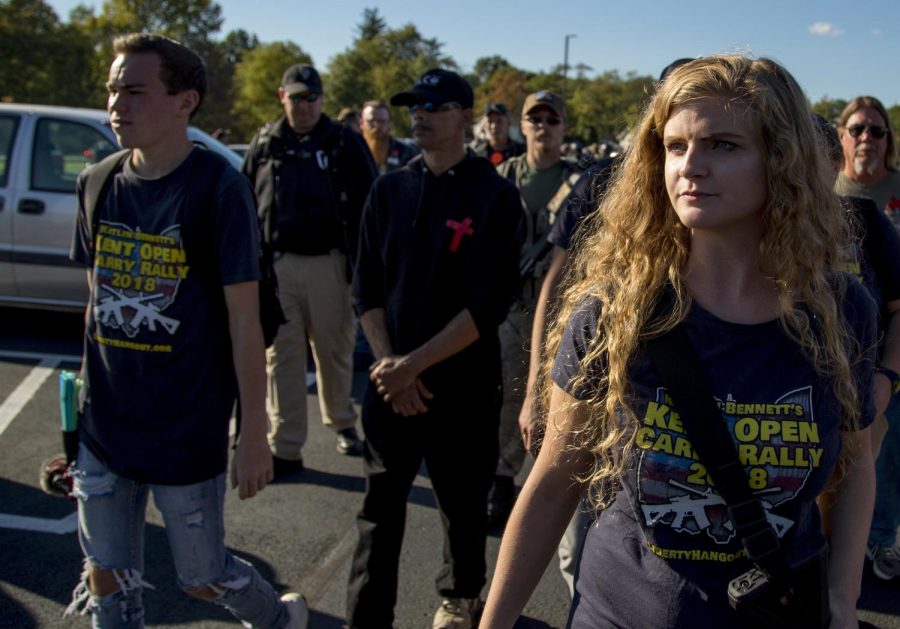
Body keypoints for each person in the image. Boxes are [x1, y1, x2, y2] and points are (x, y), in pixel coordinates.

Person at [481, 55, 877, 628]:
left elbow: (858, 463)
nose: (690, 166)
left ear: (780, 159)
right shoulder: (615, 307)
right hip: (618, 613)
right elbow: (553, 480)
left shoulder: (840, 311)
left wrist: (841, 600)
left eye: (722, 145)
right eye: (674, 146)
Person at [66, 33, 306, 628]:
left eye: (135, 91)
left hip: (186, 426)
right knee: (108, 581)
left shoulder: (219, 189)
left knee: (201, 578)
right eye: (113, 90)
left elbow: (244, 321)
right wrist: (74, 419)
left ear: (184, 102)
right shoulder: (95, 183)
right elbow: (95, 307)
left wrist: (254, 432)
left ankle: (277, 619)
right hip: (104, 427)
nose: (117, 104)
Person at [346, 68, 524, 629]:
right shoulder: (389, 189)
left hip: (461, 386)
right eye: (414, 106)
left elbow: (487, 305)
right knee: (379, 509)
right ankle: (368, 614)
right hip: (390, 382)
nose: (419, 114)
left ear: (465, 117)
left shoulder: (494, 196)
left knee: (462, 506)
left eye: (435, 105)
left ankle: (459, 596)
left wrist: (413, 368)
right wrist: (389, 367)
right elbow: (365, 288)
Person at [242, 64, 378, 474]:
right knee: (280, 356)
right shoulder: (267, 142)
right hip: (278, 265)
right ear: (282, 97)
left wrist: (366, 265)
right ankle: (285, 446)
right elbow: (244, 197)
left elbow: (371, 202)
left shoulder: (342, 142)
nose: (303, 106)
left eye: (310, 98)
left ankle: (341, 422)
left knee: (333, 352)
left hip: (330, 265)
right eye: (295, 97)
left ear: (321, 99)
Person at [488, 90, 581, 530]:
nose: (543, 126)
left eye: (552, 119)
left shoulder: (578, 182)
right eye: (534, 119)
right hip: (510, 305)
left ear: (564, 127)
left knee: (560, 397)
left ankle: (551, 484)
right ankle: (503, 477)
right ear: (521, 125)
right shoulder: (503, 175)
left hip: (561, 309)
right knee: (508, 394)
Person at [815, 113, 900, 582]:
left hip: (860, 396)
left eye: (822, 157)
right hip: (784, 405)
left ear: (835, 162)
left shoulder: (863, 219)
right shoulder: (750, 226)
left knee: (851, 495)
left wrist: (887, 377)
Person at [834, 96, 900, 228]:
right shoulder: (826, 190)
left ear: (888, 139)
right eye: (856, 130)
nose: (866, 137)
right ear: (841, 136)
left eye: (877, 131)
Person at [360, 99, 419, 174]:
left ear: (389, 123)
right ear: (361, 123)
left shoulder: (406, 153)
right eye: (371, 121)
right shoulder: (352, 154)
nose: (377, 126)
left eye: (382, 121)